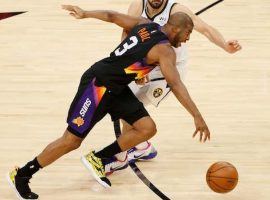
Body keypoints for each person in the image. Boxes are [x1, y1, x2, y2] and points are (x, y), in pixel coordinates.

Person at [7, 4, 210, 199]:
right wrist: (197, 116)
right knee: (71, 141)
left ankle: (100, 158)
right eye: (188, 32)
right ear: (175, 28)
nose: (188, 38)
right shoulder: (165, 50)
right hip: (98, 85)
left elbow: (113, 17)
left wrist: (85, 13)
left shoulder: (146, 25)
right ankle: (23, 174)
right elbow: (175, 84)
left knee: (146, 128)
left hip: (116, 87)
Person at [89, 0, 242, 176]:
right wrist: (133, 63)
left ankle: (120, 158)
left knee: (131, 108)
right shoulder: (137, 6)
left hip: (168, 71)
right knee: (126, 104)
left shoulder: (177, 10)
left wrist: (225, 45)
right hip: (145, 65)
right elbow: (127, 33)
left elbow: (205, 28)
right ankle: (141, 146)